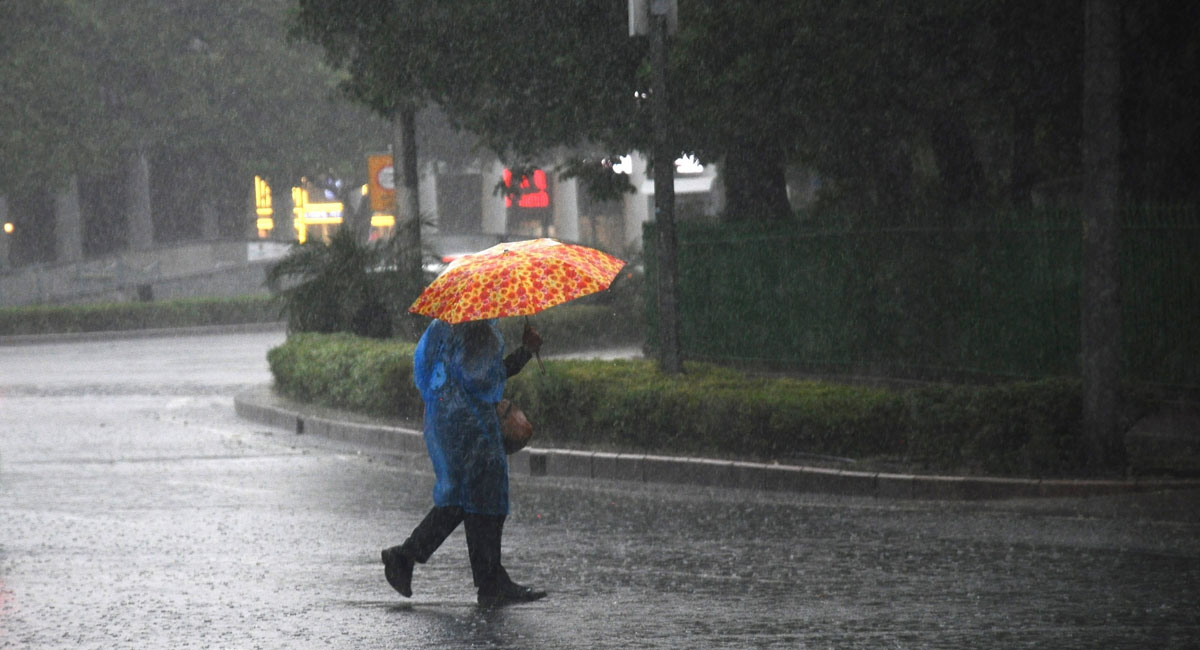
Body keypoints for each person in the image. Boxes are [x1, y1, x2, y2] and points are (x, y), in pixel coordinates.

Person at [381, 318, 547, 606]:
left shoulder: (448, 328)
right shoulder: (476, 330)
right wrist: (525, 352)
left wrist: (523, 353)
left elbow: (463, 375)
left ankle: (407, 557)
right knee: (484, 500)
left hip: (450, 421)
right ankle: (489, 582)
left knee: (464, 500)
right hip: (470, 425)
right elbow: (483, 377)